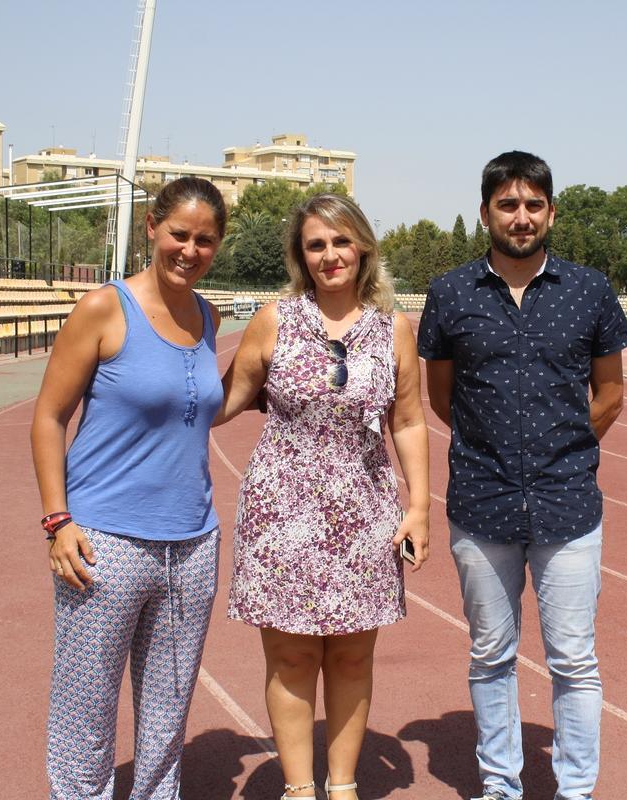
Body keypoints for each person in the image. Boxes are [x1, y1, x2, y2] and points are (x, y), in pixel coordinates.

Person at [417, 151, 627, 800]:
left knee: (573, 660)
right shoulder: (451, 293)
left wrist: (559, 452)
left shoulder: (590, 292)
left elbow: (611, 395)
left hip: (568, 507)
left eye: (533, 205)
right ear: (485, 212)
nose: (521, 217)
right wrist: (496, 452)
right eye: (507, 205)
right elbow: (440, 397)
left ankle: (574, 790)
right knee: (491, 655)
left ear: (551, 213)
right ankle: (501, 787)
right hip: (482, 505)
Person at [219, 193, 430, 800]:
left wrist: (418, 507)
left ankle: (342, 787)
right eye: (316, 244)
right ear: (300, 255)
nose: (331, 255)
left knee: (351, 657)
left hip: (364, 510)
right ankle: (297, 789)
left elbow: (409, 420)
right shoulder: (275, 320)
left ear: (362, 246)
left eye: (341, 242)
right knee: (290, 657)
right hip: (281, 510)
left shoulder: (394, 328)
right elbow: (222, 400)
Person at [30, 175, 227, 799]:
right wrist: (58, 522)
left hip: (193, 544)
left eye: (205, 240)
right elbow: (48, 417)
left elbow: (196, 408)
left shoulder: (208, 316)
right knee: (85, 710)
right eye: (178, 234)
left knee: (168, 715)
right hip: (104, 542)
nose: (189, 250)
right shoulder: (104, 309)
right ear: (151, 227)